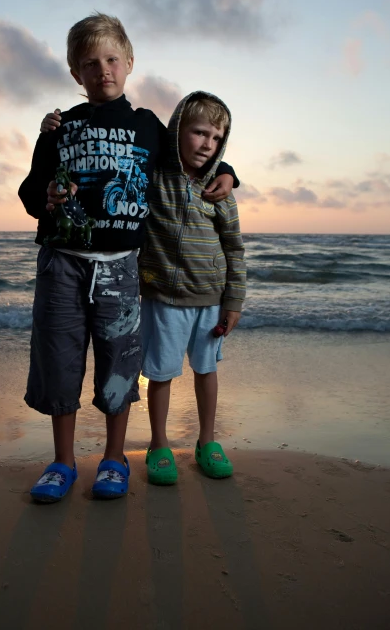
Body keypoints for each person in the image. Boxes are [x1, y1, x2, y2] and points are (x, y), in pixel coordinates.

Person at [19, 13, 238, 503]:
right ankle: (62, 461)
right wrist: (46, 198)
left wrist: (232, 174)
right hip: (61, 262)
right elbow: (29, 189)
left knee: (119, 365)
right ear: (76, 73)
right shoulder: (60, 127)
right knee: (61, 361)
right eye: (90, 64)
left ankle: (114, 458)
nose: (103, 71)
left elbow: (187, 158)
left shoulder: (146, 126)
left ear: (130, 62)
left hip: (120, 267)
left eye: (112, 59)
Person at [138, 91, 245, 485]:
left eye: (217, 138)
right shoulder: (156, 177)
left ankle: (207, 442)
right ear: (178, 129)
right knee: (161, 373)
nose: (207, 144)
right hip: (163, 298)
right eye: (200, 133)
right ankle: (159, 443)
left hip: (210, 301)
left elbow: (234, 247)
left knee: (207, 369)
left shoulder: (219, 191)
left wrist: (233, 301)